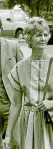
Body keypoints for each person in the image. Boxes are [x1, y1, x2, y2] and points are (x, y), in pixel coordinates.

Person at [3, 17, 53, 149]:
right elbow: (15, 104)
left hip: (52, 121)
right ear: (29, 38)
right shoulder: (19, 68)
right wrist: (8, 135)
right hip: (28, 123)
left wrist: (52, 102)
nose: (43, 38)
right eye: (38, 35)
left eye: (45, 34)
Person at [0, 19, 23, 149]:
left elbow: (24, 74)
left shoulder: (12, 46)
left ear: (1, 29)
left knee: (15, 142)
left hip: (11, 103)